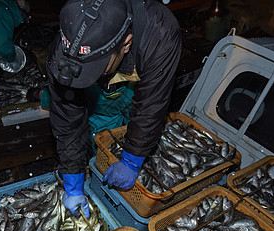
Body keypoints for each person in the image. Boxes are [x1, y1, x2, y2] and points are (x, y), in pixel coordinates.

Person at [46, 0, 182, 218]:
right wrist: (72, 177)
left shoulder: (160, 33)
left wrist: (132, 158)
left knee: (137, 123)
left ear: (126, 44)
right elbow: (66, 116)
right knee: (97, 126)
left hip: (138, 83)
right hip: (101, 94)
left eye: (96, 67)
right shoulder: (68, 44)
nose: (89, 73)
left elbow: (151, 106)